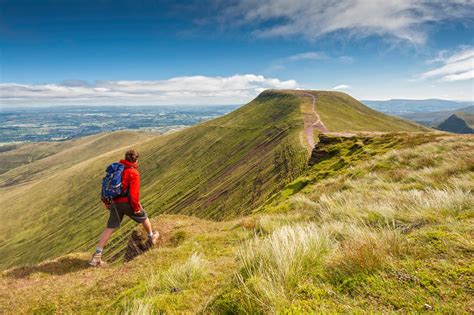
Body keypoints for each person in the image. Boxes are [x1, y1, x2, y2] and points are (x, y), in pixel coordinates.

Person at [89, 149, 159, 267]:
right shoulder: (133, 173)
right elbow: (133, 194)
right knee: (144, 217)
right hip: (127, 202)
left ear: (125, 158)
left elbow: (107, 187)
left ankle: (96, 256)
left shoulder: (117, 169)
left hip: (114, 203)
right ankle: (151, 237)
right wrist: (136, 207)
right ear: (136, 160)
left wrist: (107, 203)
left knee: (110, 228)